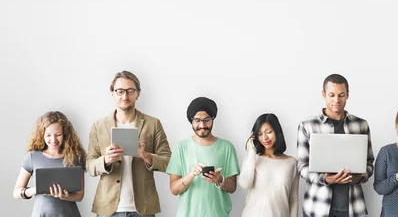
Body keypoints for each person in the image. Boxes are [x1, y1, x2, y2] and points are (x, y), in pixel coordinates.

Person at [87, 70, 172, 217]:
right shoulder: (98, 125)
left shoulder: (153, 124)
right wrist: (106, 160)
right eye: (120, 91)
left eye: (130, 91)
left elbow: (169, 161)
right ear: (112, 92)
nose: (125, 96)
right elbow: (89, 165)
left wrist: (145, 156)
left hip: (143, 208)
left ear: (138, 93)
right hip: (108, 208)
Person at [297, 73, 374, 217]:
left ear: (348, 95)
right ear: (323, 94)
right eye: (331, 95)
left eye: (341, 95)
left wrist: (358, 177)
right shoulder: (307, 126)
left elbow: (369, 163)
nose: (336, 100)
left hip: (352, 208)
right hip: (317, 208)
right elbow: (302, 167)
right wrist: (325, 179)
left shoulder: (361, 125)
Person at [167, 96, 240, 217]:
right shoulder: (181, 148)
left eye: (206, 120)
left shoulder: (227, 147)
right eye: (197, 120)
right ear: (191, 121)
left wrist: (219, 180)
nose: (202, 125)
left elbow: (232, 188)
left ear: (213, 119)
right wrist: (191, 175)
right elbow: (174, 190)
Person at [13, 111, 86, 216]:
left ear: (65, 134)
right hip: (42, 214)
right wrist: (35, 190)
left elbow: (79, 195)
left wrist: (64, 196)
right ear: (42, 134)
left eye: (58, 135)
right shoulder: (33, 157)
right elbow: (16, 193)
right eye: (48, 135)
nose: (53, 140)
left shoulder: (75, 157)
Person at [239, 113, 299, 217]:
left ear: (277, 132)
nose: (264, 138)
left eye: (269, 132)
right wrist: (251, 153)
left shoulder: (291, 163)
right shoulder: (252, 159)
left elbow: (293, 199)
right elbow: (244, 184)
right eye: (260, 134)